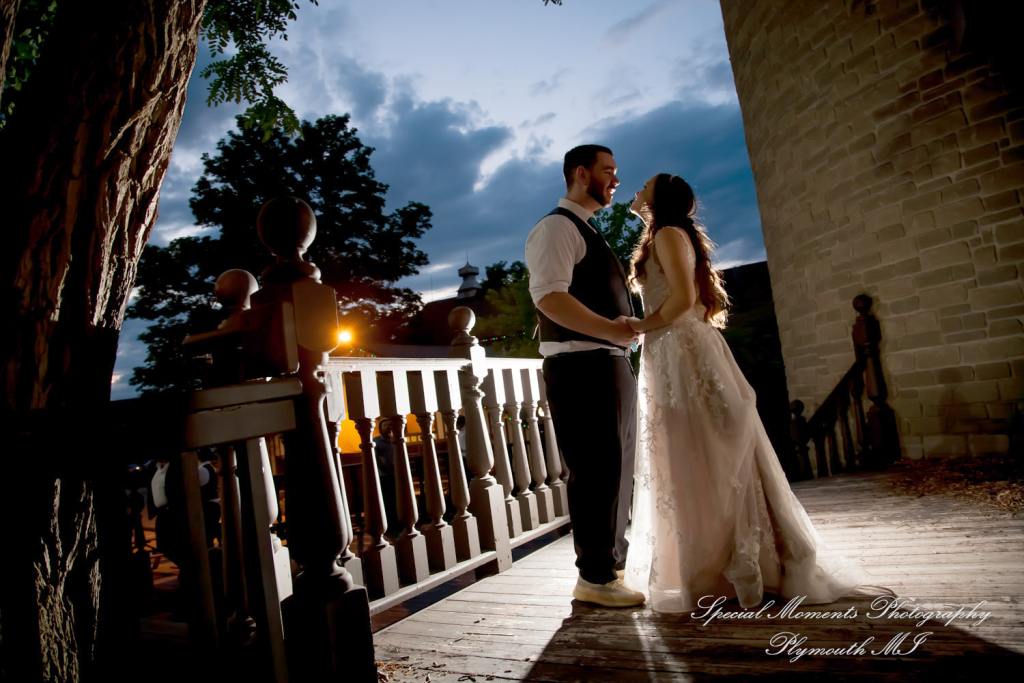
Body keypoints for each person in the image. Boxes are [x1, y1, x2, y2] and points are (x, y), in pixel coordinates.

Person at [622, 173, 872, 612]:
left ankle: (727, 567)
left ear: (659, 198)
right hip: (676, 350)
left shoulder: (664, 234)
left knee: (701, 455)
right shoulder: (668, 235)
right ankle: (718, 563)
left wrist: (637, 327)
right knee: (695, 456)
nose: (635, 189)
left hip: (681, 353)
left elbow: (681, 298)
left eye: (644, 185)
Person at [525, 144, 645, 608]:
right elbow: (549, 298)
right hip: (581, 366)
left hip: (606, 364)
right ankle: (595, 577)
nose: (615, 179)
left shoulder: (588, 230)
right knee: (596, 472)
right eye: (608, 171)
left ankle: (609, 571)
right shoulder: (556, 228)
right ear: (580, 173)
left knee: (616, 472)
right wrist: (614, 330)